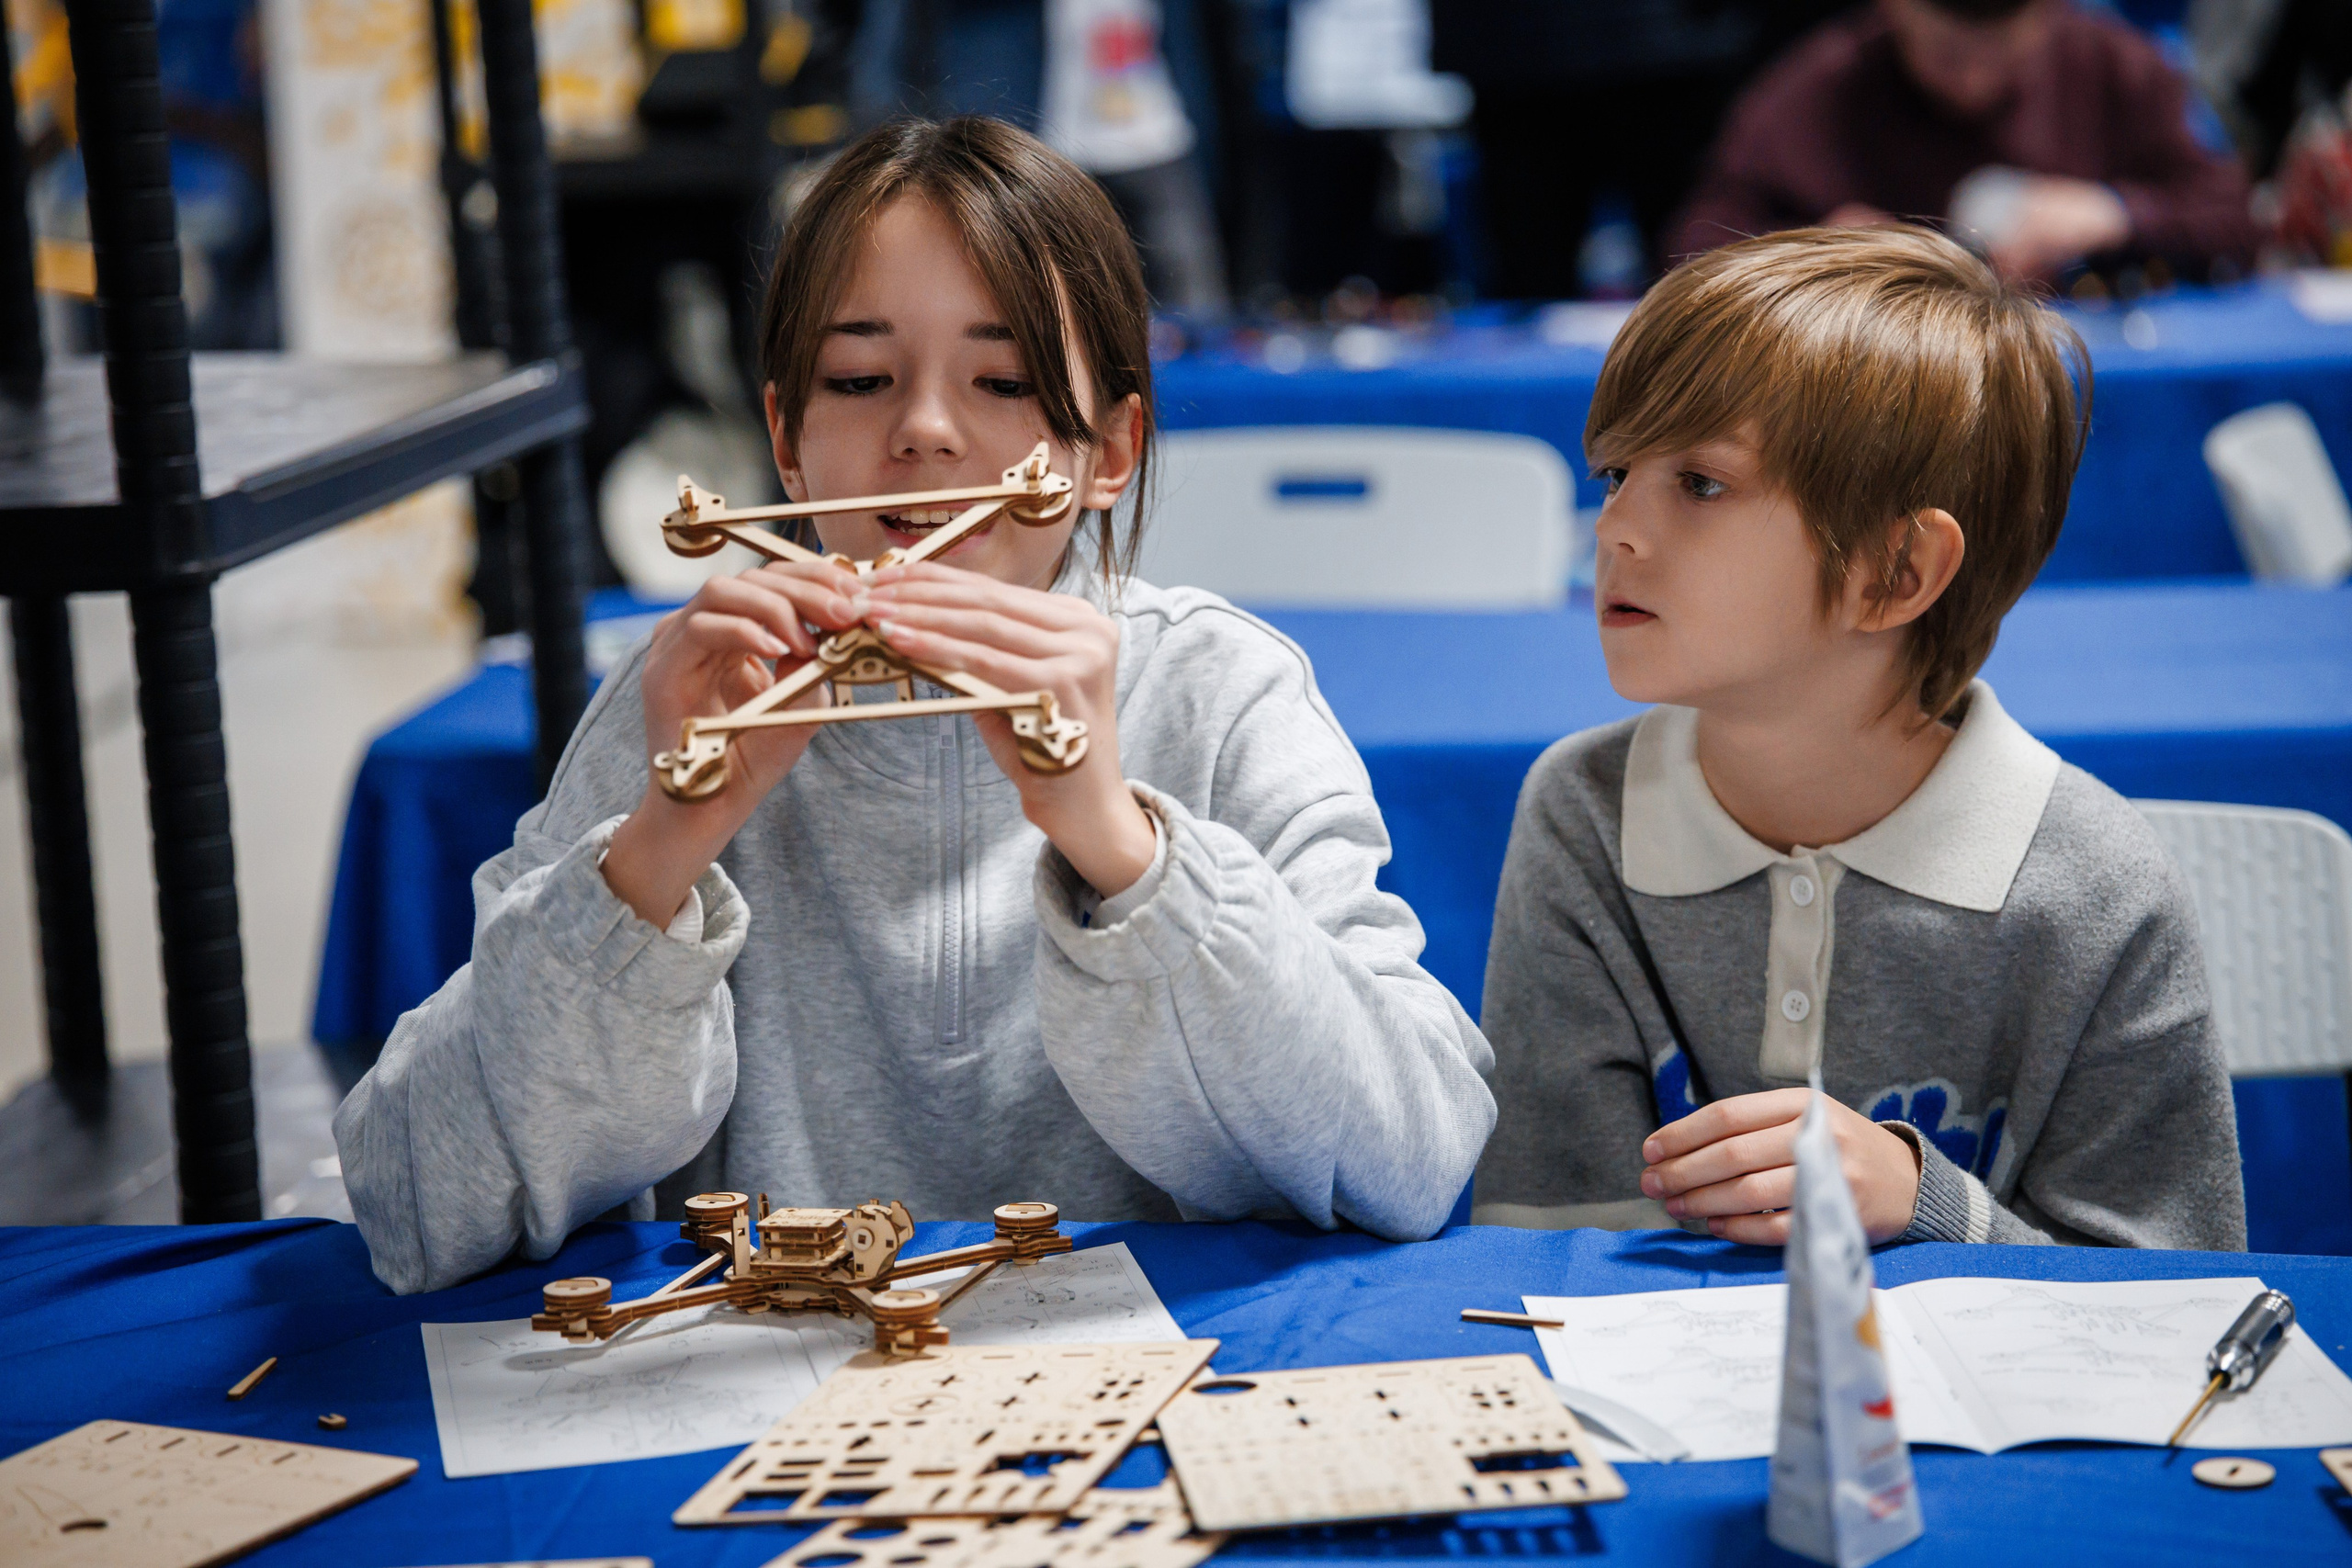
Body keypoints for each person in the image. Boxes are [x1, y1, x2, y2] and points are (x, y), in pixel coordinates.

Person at [334, 117, 1495, 1294]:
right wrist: (657, 852)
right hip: (754, 1410)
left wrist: (1122, 845)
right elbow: (416, 1207)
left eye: (1003, 380)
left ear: (1112, 447)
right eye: (860, 380)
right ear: (787, 439)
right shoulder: (684, 700)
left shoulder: (1219, 692)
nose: (927, 430)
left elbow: (1412, 1158)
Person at [1475, 226, 2245, 1249]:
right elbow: (1546, 1242)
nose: (1613, 528)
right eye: (1616, 472)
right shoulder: (1581, 812)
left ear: (1894, 573)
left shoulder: (2095, 885)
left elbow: (2175, 1309)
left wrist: (1922, 1204)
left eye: (1700, 484)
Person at [1668, 0, 2261, 284]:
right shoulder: (1820, 87)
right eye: (1949, 56)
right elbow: (1693, 243)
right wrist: (1809, 249)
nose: (1973, 82)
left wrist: (2118, 212)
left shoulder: (2115, 68)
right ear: (1897, 9)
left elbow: (2237, 219)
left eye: (2002, 54)